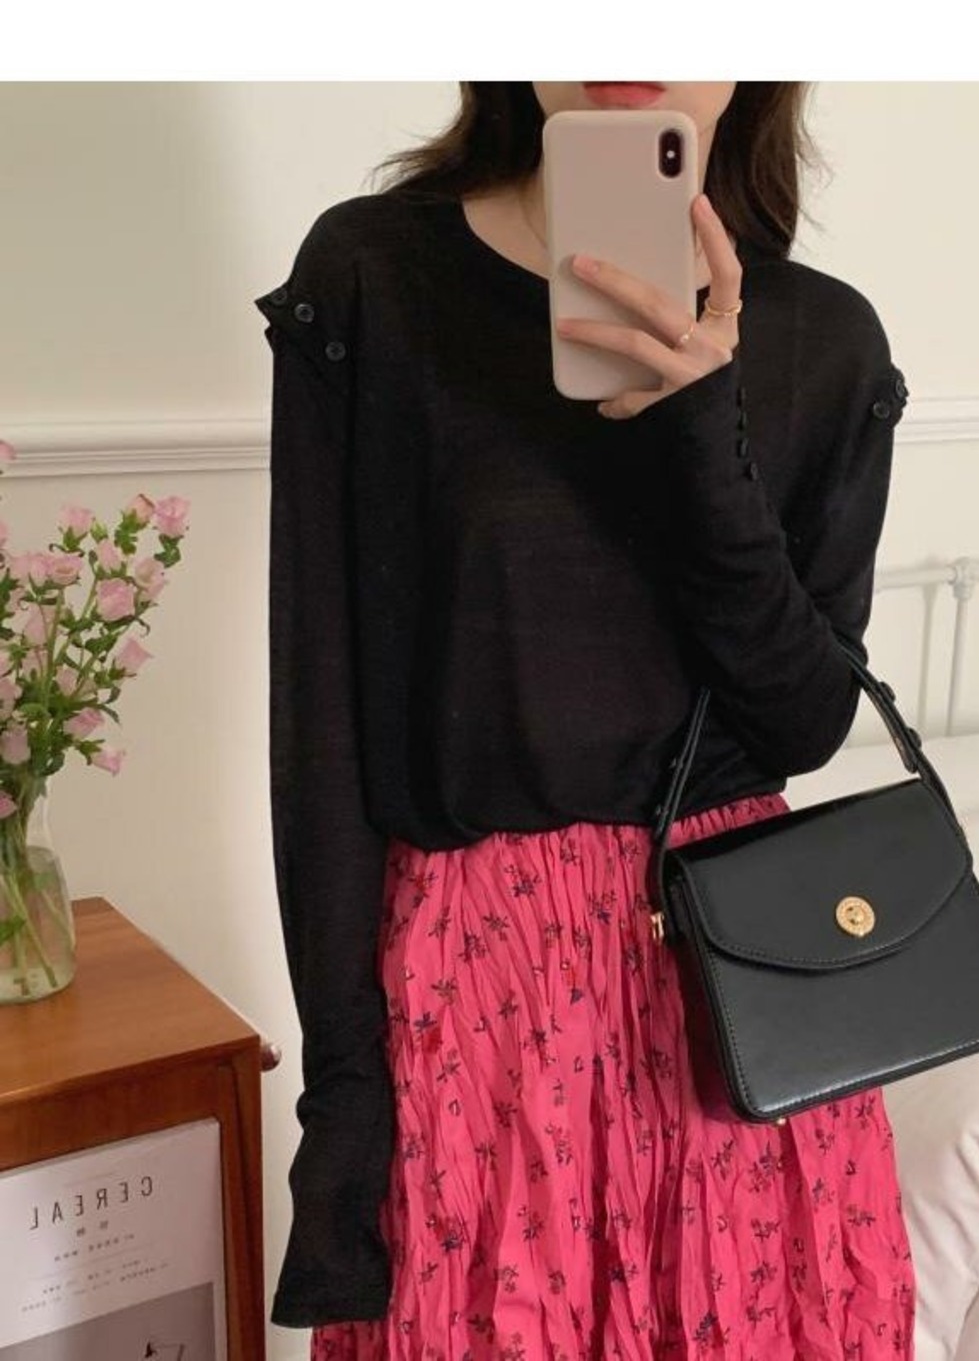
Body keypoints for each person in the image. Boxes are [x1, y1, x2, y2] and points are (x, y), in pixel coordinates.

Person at [257, 81, 915, 1361]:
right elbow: (319, 721)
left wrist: (697, 436)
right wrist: (342, 1090)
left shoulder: (821, 337)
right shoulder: (379, 278)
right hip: (476, 999)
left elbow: (802, 722)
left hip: (737, 1000)